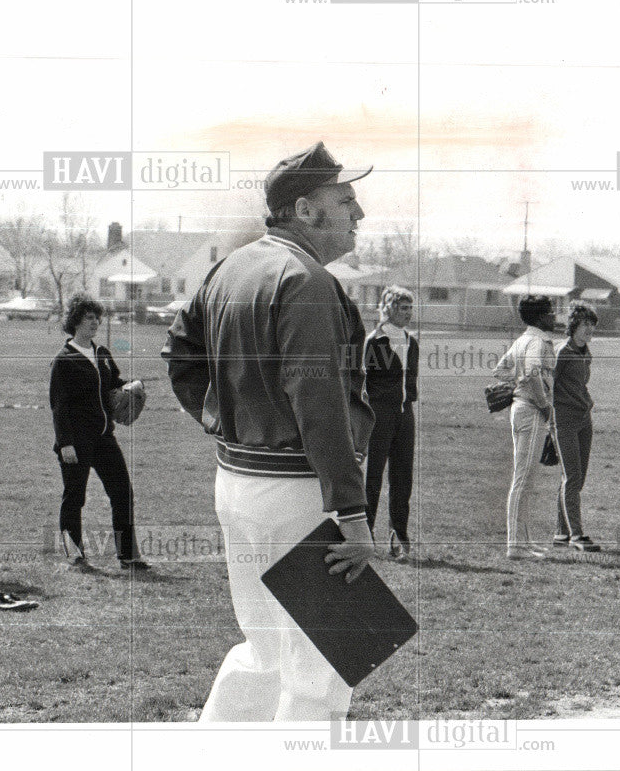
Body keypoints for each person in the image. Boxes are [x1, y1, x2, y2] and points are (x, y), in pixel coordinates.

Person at [163, 141, 376, 721]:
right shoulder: (305, 279)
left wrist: (224, 419)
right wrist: (353, 515)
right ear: (305, 210)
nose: (359, 214)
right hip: (299, 493)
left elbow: (180, 355)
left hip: (238, 483)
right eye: (347, 200)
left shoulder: (231, 265)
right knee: (322, 669)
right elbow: (320, 404)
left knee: (265, 653)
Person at [49, 294, 150, 570]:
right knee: (75, 496)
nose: (95, 322)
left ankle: (128, 556)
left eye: (97, 318)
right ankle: (74, 554)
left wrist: (132, 386)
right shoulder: (64, 359)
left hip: (104, 437)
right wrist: (65, 443)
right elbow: (58, 406)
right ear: (75, 321)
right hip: (76, 440)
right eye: (89, 317)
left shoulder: (102, 354)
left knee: (122, 493)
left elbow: (113, 386)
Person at [494, 294, 557, 560]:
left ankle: (524, 541)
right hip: (531, 411)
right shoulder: (538, 340)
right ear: (541, 316)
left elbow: (501, 369)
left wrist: (516, 387)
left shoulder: (523, 338)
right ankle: (515, 546)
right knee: (523, 479)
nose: (554, 316)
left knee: (526, 479)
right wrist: (543, 404)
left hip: (520, 409)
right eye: (550, 312)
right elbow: (531, 373)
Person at [363, 285, 418, 560]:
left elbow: (411, 381)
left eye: (410, 308)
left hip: (405, 414)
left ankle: (399, 535)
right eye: (402, 308)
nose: (407, 313)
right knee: (372, 476)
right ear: (388, 308)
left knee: (402, 477)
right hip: (379, 415)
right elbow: (364, 382)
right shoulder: (374, 342)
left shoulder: (412, 341)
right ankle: (365, 534)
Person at [550, 302, 601, 552]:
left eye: (592, 325)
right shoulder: (563, 352)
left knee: (576, 479)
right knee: (572, 477)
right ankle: (576, 535)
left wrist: (586, 401)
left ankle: (561, 533)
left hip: (583, 419)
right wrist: (551, 420)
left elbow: (580, 384)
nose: (589, 329)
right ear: (573, 326)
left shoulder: (586, 352)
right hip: (564, 420)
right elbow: (550, 385)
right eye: (584, 325)